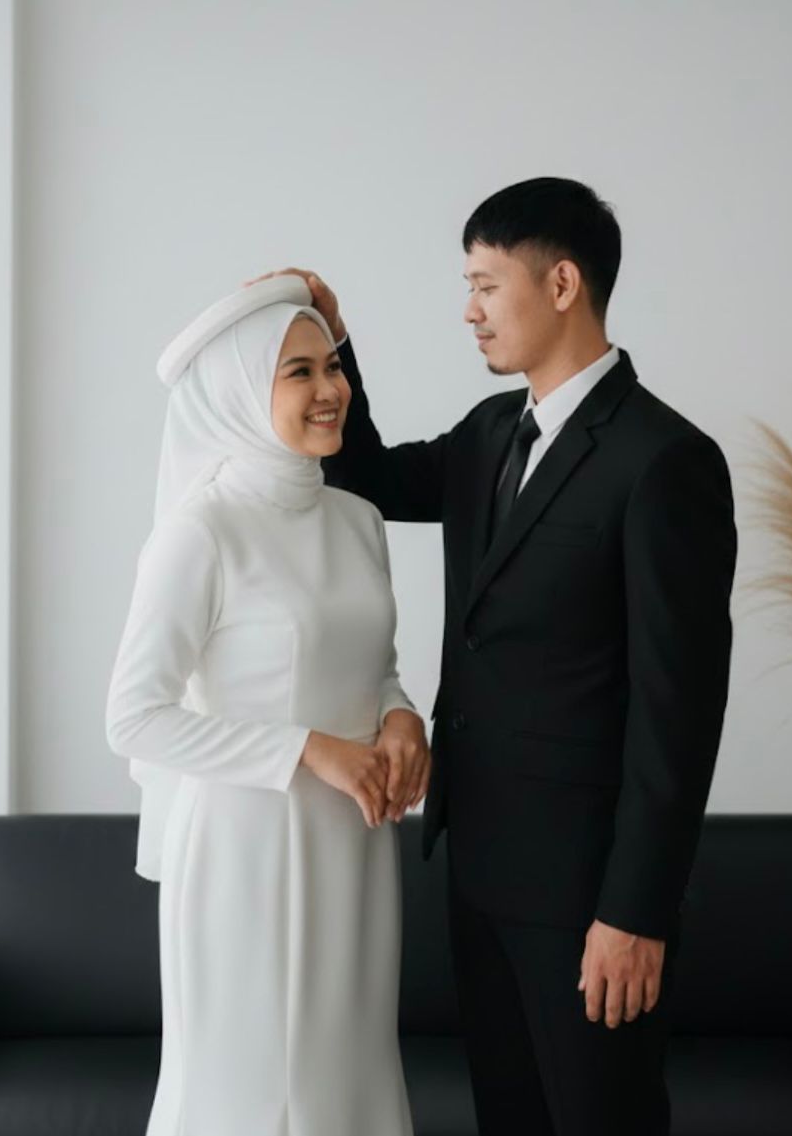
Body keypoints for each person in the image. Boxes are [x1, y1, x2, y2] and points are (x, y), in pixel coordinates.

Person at [253, 176, 738, 1136]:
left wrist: (635, 913)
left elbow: (678, 715)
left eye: (484, 285)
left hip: (589, 898)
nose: (468, 310)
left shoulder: (665, 459)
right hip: (476, 869)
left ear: (561, 284)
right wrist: (333, 341)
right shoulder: (488, 434)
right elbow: (366, 474)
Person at [105, 274, 429, 1136]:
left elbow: (374, 667)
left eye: (333, 366)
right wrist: (308, 749)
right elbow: (133, 715)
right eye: (299, 371)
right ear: (242, 390)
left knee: (346, 1082)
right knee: (250, 1094)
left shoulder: (359, 521)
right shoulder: (201, 532)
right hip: (242, 856)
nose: (331, 389)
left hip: (356, 849)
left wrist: (401, 715)